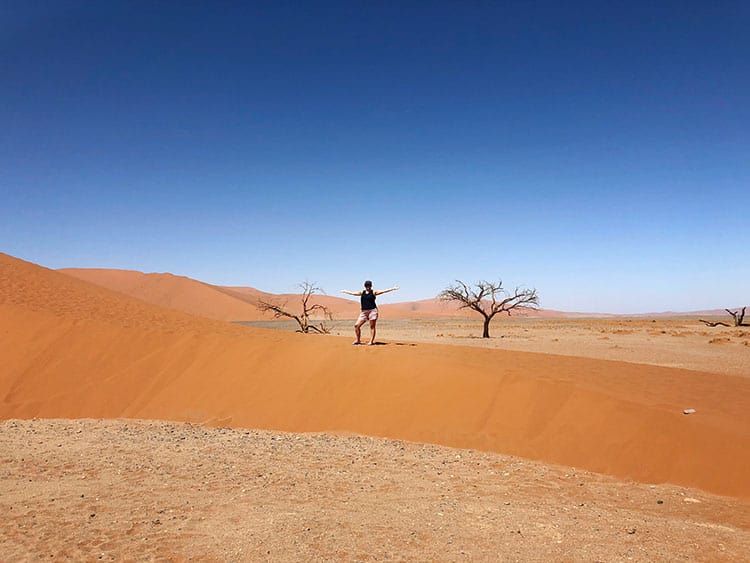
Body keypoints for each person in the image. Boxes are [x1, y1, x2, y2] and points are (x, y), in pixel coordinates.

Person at [341, 280, 399, 345]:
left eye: (369, 286)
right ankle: (358, 340)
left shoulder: (373, 292)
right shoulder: (362, 292)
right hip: (364, 312)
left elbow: (383, 291)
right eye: (366, 286)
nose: (368, 287)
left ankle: (371, 341)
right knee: (356, 325)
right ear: (365, 286)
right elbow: (353, 293)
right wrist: (345, 291)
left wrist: (393, 288)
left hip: (373, 311)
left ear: (371, 286)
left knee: (372, 326)